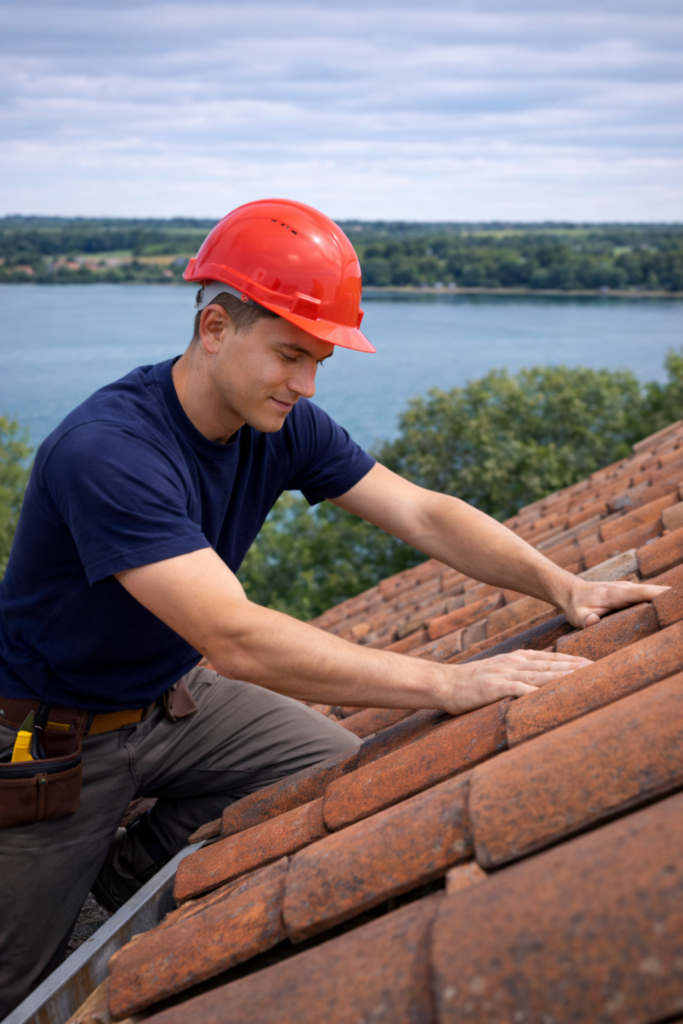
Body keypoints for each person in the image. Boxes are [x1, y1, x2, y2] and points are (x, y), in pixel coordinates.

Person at [0, 199, 666, 1016]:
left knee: (324, 764)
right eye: (289, 355)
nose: (306, 384)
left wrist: (564, 586)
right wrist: (450, 683)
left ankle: (121, 874)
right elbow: (236, 637)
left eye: (319, 360)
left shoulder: (280, 422)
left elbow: (421, 512)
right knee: (20, 986)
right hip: (49, 735)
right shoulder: (109, 452)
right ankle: (72, 873)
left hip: (170, 700)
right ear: (214, 327)